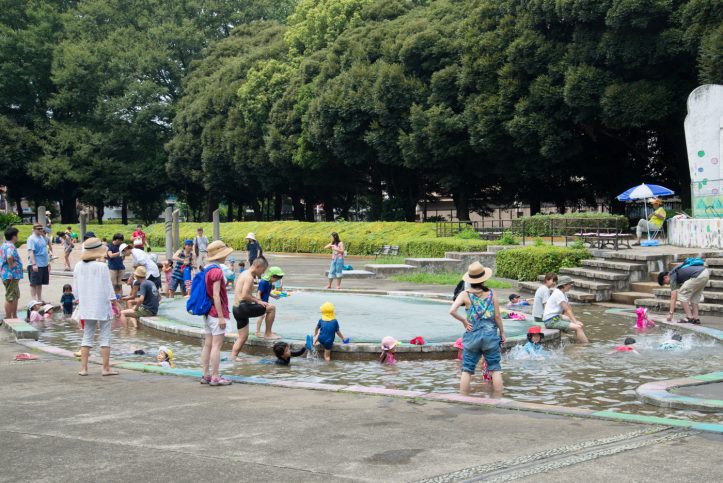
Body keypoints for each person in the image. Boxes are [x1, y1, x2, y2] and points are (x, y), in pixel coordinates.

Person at [449, 262, 506, 394]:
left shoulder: (464, 294)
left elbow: (452, 310)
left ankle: (463, 397)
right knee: (495, 368)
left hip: (472, 335)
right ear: (484, 278)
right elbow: (497, 316)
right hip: (490, 335)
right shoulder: (492, 293)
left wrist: (464, 320)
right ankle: (498, 399)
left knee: (467, 369)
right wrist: (502, 332)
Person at [74, 237, 119, 376]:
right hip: (101, 305)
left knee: (87, 336)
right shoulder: (102, 267)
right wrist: (115, 303)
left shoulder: (78, 266)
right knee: (105, 337)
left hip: (86, 305)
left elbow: (76, 289)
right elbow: (108, 288)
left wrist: (79, 299)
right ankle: (105, 368)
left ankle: (84, 368)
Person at [199, 240, 234, 386]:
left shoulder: (207, 269)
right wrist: (221, 317)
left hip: (207, 312)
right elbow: (216, 295)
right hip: (216, 312)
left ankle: (206, 374)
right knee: (216, 345)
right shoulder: (217, 271)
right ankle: (215, 376)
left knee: (207, 344)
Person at [231, 258, 276, 361]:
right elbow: (245, 295)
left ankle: (233, 357)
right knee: (271, 308)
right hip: (243, 308)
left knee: (243, 336)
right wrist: (258, 301)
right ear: (258, 267)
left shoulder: (244, 273)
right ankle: (268, 333)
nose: (263, 272)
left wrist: (254, 299)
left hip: (236, 308)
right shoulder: (249, 277)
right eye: (263, 270)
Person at [542, 276, 589, 343]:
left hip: (555, 318)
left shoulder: (562, 293)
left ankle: (579, 342)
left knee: (579, 325)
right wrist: (575, 322)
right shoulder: (558, 293)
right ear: (564, 285)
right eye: (570, 284)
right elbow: (567, 309)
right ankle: (586, 346)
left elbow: (568, 309)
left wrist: (572, 321)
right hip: (551, 321)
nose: (571, 286)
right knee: (578, 327)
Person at [255, 266, 284, 338]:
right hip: (261, 302)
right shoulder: (263, 282)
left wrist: (274, 296)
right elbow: (258, 293)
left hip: (265, 302)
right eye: (276, 278)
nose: (276, 280)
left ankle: (268, 331)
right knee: (261, 316)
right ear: (271, 276)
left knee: (264, 315)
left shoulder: (270, 283)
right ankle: (258, 331)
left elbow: (268, 293)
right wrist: (259, 302)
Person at [1, 227, 23, 319]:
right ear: (14, 236)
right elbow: (9, 257)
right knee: (10, 296)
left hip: (9, 275)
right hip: (11, 275)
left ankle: (14, 315)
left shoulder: (4, 245)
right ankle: (8, 317)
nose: (18, 237)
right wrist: (11, 265)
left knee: (15, 295)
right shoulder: (10, 246)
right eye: (17, 235)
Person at [27, 223, 50, 302]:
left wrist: (48, 263)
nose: (41, 230)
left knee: (39, 283)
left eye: (41, 228)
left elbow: (45, 251)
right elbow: (31, 252)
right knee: (34, 283)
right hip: (36, 263)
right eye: (38, 229)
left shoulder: (42, 237)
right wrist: (34, 264)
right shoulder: (31, 239)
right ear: (34, 229)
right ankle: (33, 299)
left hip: (43, 263)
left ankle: (39, 298)